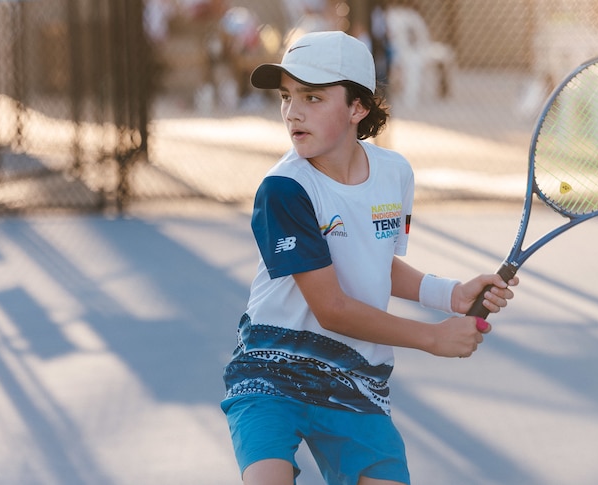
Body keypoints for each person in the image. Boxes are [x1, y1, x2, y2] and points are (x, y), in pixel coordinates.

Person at [221, 31, 518, 485]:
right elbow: (331, 307)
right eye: (286, 96)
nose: (292, 111)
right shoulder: (284, 188)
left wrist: (451, 294)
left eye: (313, 97)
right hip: (271, 371)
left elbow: (375, 260)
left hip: (355, 379)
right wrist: (431, 337)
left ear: (358, 108)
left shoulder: (393, 173)